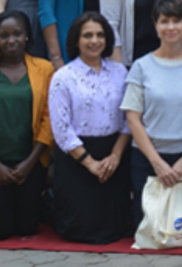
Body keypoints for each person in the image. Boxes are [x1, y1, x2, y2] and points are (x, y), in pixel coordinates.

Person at [123, 0, 182, 228]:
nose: (171, 27)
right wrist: (157, 163)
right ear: (155, 25)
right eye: (164, 21)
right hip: (148, 158)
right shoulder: (141, 67)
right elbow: (132, 118)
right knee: (149, 229)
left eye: (177, 21)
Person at [0, 11, 54, 240]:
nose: (11, 40)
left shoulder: (45, 70)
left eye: (17, 33)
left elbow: (49, 119)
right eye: (4, 35)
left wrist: (30, 163)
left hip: (31, 161)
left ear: (27, 36)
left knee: (28, 228)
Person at [47, 13, 132, 244]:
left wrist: (115, 156)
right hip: (77, 157)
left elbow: (129, 120)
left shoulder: (121, 72)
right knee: (81, 228)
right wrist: (90, 163)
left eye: (100, 35)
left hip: (114, 154)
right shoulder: (63, 77)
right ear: (76, 40)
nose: (94, 41)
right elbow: (61, 128)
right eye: (87, 35)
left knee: (118, 225)